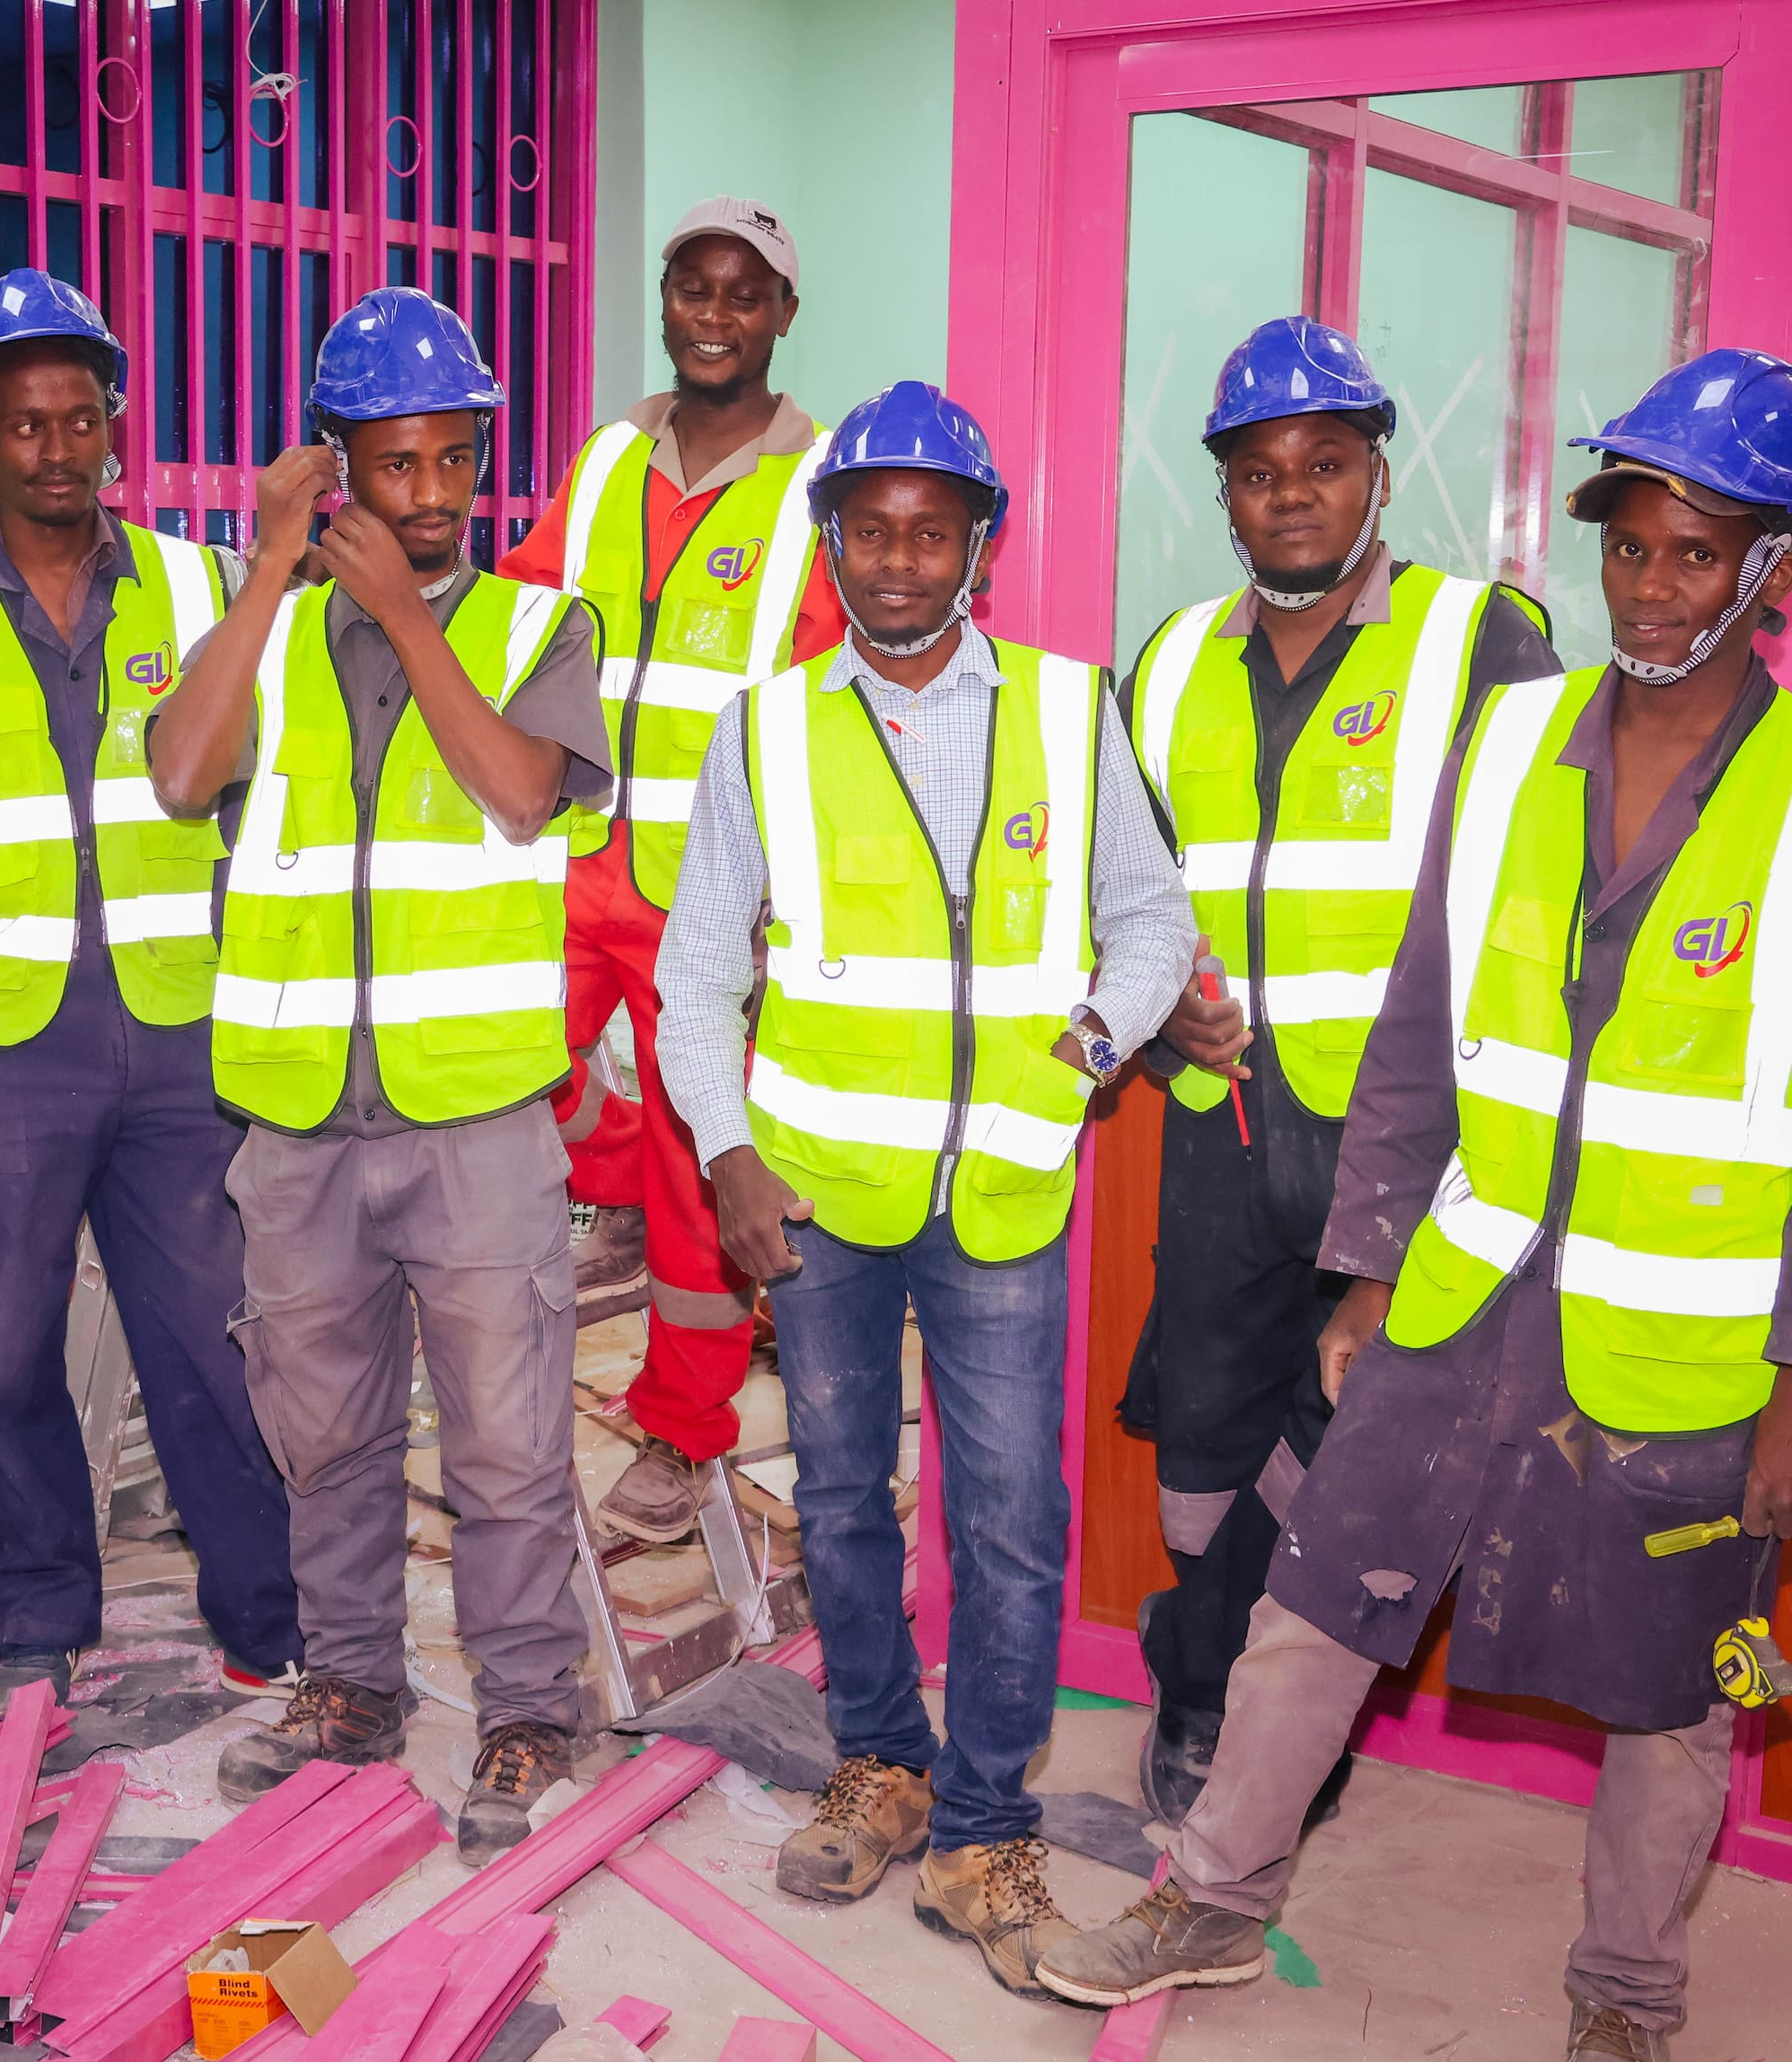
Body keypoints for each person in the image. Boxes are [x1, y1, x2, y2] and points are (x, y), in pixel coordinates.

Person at [1035, 350, 1792, 2062]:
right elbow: (1418, 1035)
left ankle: (1627, 1997)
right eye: (1632, 548)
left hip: (1684, 1336)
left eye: (1696, 552)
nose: (1651, 586)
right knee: (1315, 1599)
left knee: (1678, 1689)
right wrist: (1366, 1270)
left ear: (1775, 573)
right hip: (1469, 1283)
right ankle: (1217, 1893)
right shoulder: (1514, 739)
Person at [654, 381, 1199, 1994]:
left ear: (980, 545)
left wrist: (1081, 1053)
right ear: (832, 544)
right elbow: (695, 979)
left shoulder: (1061, 705)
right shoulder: (765, 730)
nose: (900, 559)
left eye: (932, 529)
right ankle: (879, 1764)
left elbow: (1151, 921)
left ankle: (982, 1826)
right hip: (817, 1196)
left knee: (1016, 1523)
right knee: (838, 1502)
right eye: (872, 528)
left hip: (1008, 1190)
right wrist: (726, 1150)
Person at [148, 288, 612, 1868]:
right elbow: (175, 770)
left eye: (450, 462)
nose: (424, 498)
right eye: (392, 464)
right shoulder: (257, 624)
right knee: (324, 1429)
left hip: (475, 1116)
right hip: (296, 1121)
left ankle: (530, 1707)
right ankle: (348, 1685)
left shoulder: (535, 622)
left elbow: (520, 792)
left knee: (503, 1441)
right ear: (334, 458)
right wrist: (274, 567)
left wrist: (413, 624)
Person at [0, 268, 303, 1716]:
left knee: (210, 1346)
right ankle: (43, 1608)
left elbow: (259, 799)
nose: (54, 448)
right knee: (14, 1347)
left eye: (77, 420)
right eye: (23, 423)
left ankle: (262, 1612)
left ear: (114, 428)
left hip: (177, 1038)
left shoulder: (195, 585)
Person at [1116, 317, 1560, 1822]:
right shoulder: (1170, 659)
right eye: (1258, 471)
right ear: (1224, 495)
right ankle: (1196, 1685)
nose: (1290, 493)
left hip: (1407, 1147)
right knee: (1206, 1438)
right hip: (1223, 1125)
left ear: (1378, 474)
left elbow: (1529, 896)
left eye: (1324, 463)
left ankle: (1270, 1731)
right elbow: (1128, 890)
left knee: (1355, 1442)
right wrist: (1161, 997)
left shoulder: (1480, 639)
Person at [494, 197, 846, 1546]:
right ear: (666, 303)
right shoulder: (598, 467)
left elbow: (835, 695)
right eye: (693, 288)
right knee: (504, 1061)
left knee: (715, 1168)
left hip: (719, 898)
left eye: (742, 293)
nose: (714, 313)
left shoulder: (819, 492)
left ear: (781, 316)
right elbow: (518, 609)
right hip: (573, 863)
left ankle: (684, 1422)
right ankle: (625, 1153)